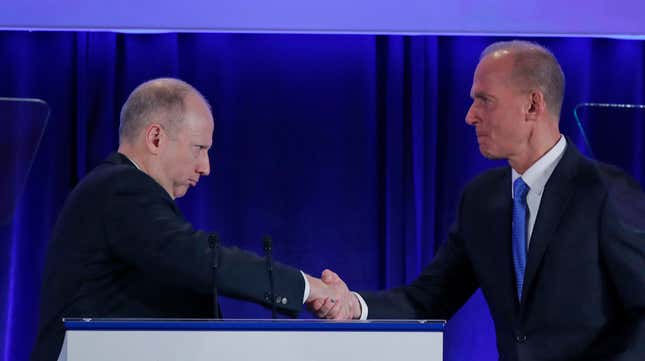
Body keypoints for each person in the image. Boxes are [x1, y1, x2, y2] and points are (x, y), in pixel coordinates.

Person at [313, 41, 645, 360]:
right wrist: (352, 305)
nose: (470, 116)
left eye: (485, 100)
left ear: (533, 105)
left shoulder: (607, 192)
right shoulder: (481, 200)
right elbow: (426, 301)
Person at [31, 78, 338, 361]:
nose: (205, 167)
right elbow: (199, 260)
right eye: (199, 148)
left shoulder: (120, 192)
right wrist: (305, 287)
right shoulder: (120, 188)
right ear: (155, 138)